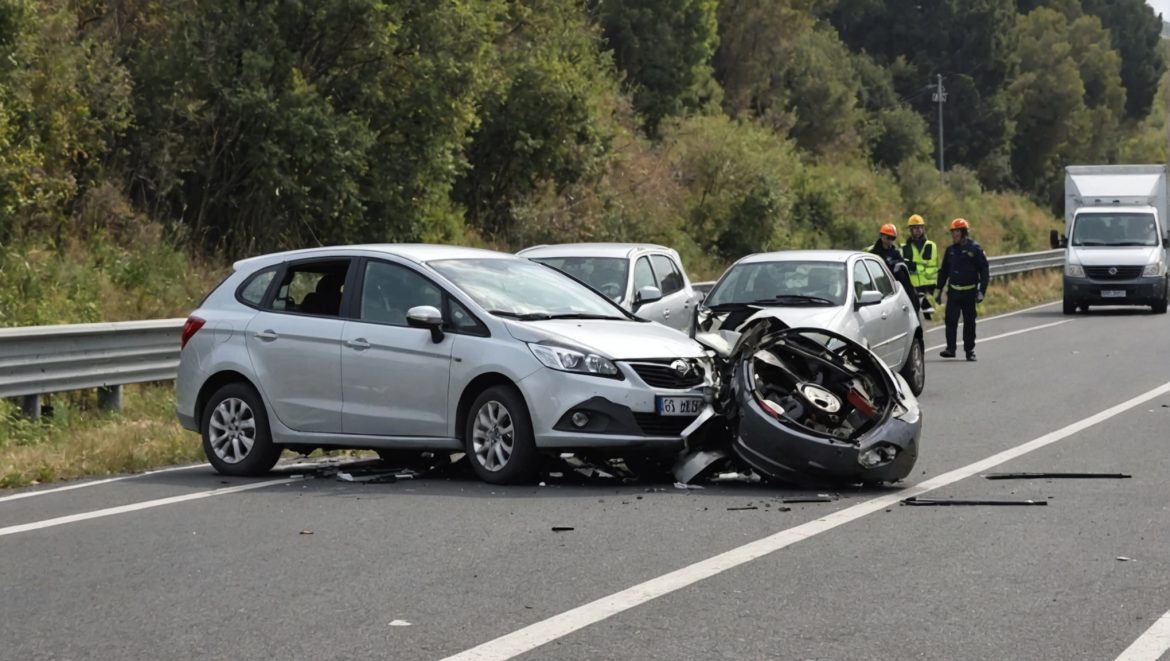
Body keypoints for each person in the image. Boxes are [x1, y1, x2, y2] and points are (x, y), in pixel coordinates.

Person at [935, 217, 989, 361]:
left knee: (969, 323)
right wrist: (938, 289)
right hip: (953, 292)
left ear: (964, 232)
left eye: (957, 232)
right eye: (953, 232)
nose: (954, 235)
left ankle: (969, 350)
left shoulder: (975, 249)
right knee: (950, 321)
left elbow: (984, 270)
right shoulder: (950, 251)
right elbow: (944, 271)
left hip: (970, 292)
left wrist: (981, 290)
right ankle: (950, 349)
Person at [866, 223, 920, 312]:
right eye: (888, 238)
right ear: (882, 236)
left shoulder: (895, 252)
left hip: (897, 285)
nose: (890, 241)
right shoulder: (875, 253)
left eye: (893, 238)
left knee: (913, 295)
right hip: (881, 285)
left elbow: (902, 265)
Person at [901, 214, 939, 319]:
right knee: (915, 318)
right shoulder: (905, 248)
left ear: (923, 228)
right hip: (913, 287)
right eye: (915, 228)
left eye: (920, 227)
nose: (918, 230)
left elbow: (931, 265)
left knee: (928, 318)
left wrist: (914, 267)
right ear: (910, 230)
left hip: (928, 286)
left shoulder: (931, 245)